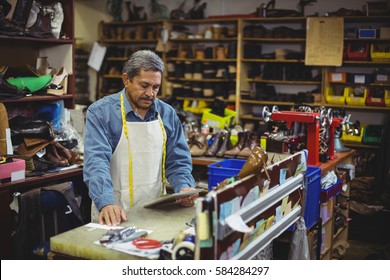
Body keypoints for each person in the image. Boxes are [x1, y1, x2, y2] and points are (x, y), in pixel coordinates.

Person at [84, 50, 198, 226]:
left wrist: (184, 187)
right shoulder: (101, 113)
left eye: (156, 87)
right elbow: (96, 162)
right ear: (126, 80)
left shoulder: (167, 114)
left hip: (156, 211)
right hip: (114, 213)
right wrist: (106, 202)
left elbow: (177, 161)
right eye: (144, 85)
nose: (150, 93)